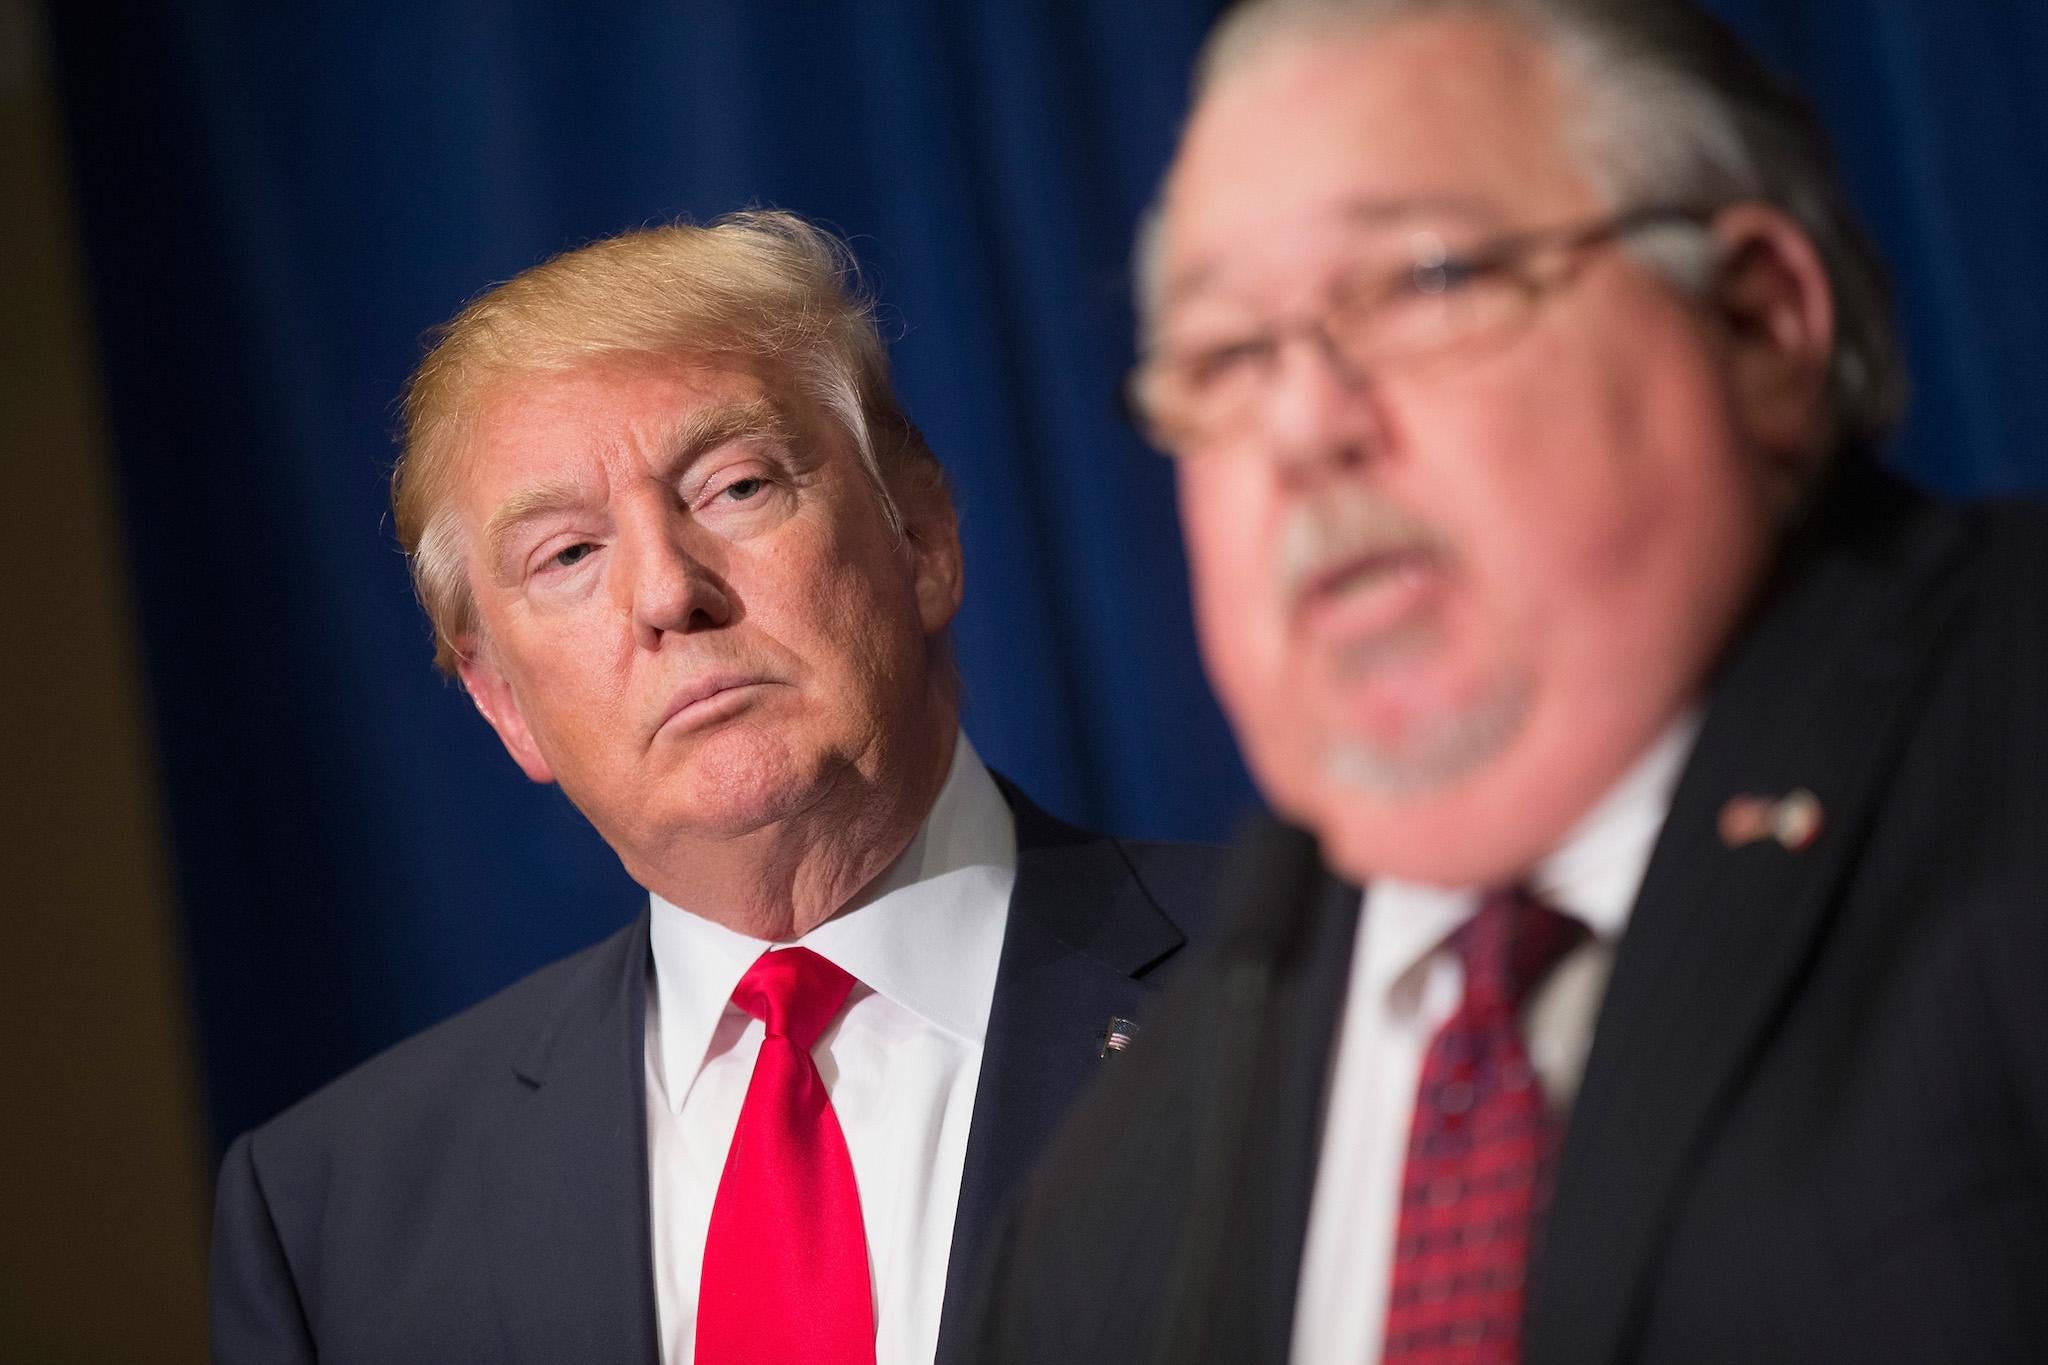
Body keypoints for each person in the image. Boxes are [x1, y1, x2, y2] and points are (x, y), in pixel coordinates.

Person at [969, 1, 2048, 1361]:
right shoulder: (1111, 1195)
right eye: (1228, 357)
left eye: (1425, 281)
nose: (1303, 428)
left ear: (1763, 323)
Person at [209, 211, 1219, 1365]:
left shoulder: (1307, 987)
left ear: (921, 537)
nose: (665, 593)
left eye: (734, 487)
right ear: (500, 703)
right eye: (567, 555)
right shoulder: (330, 1221)